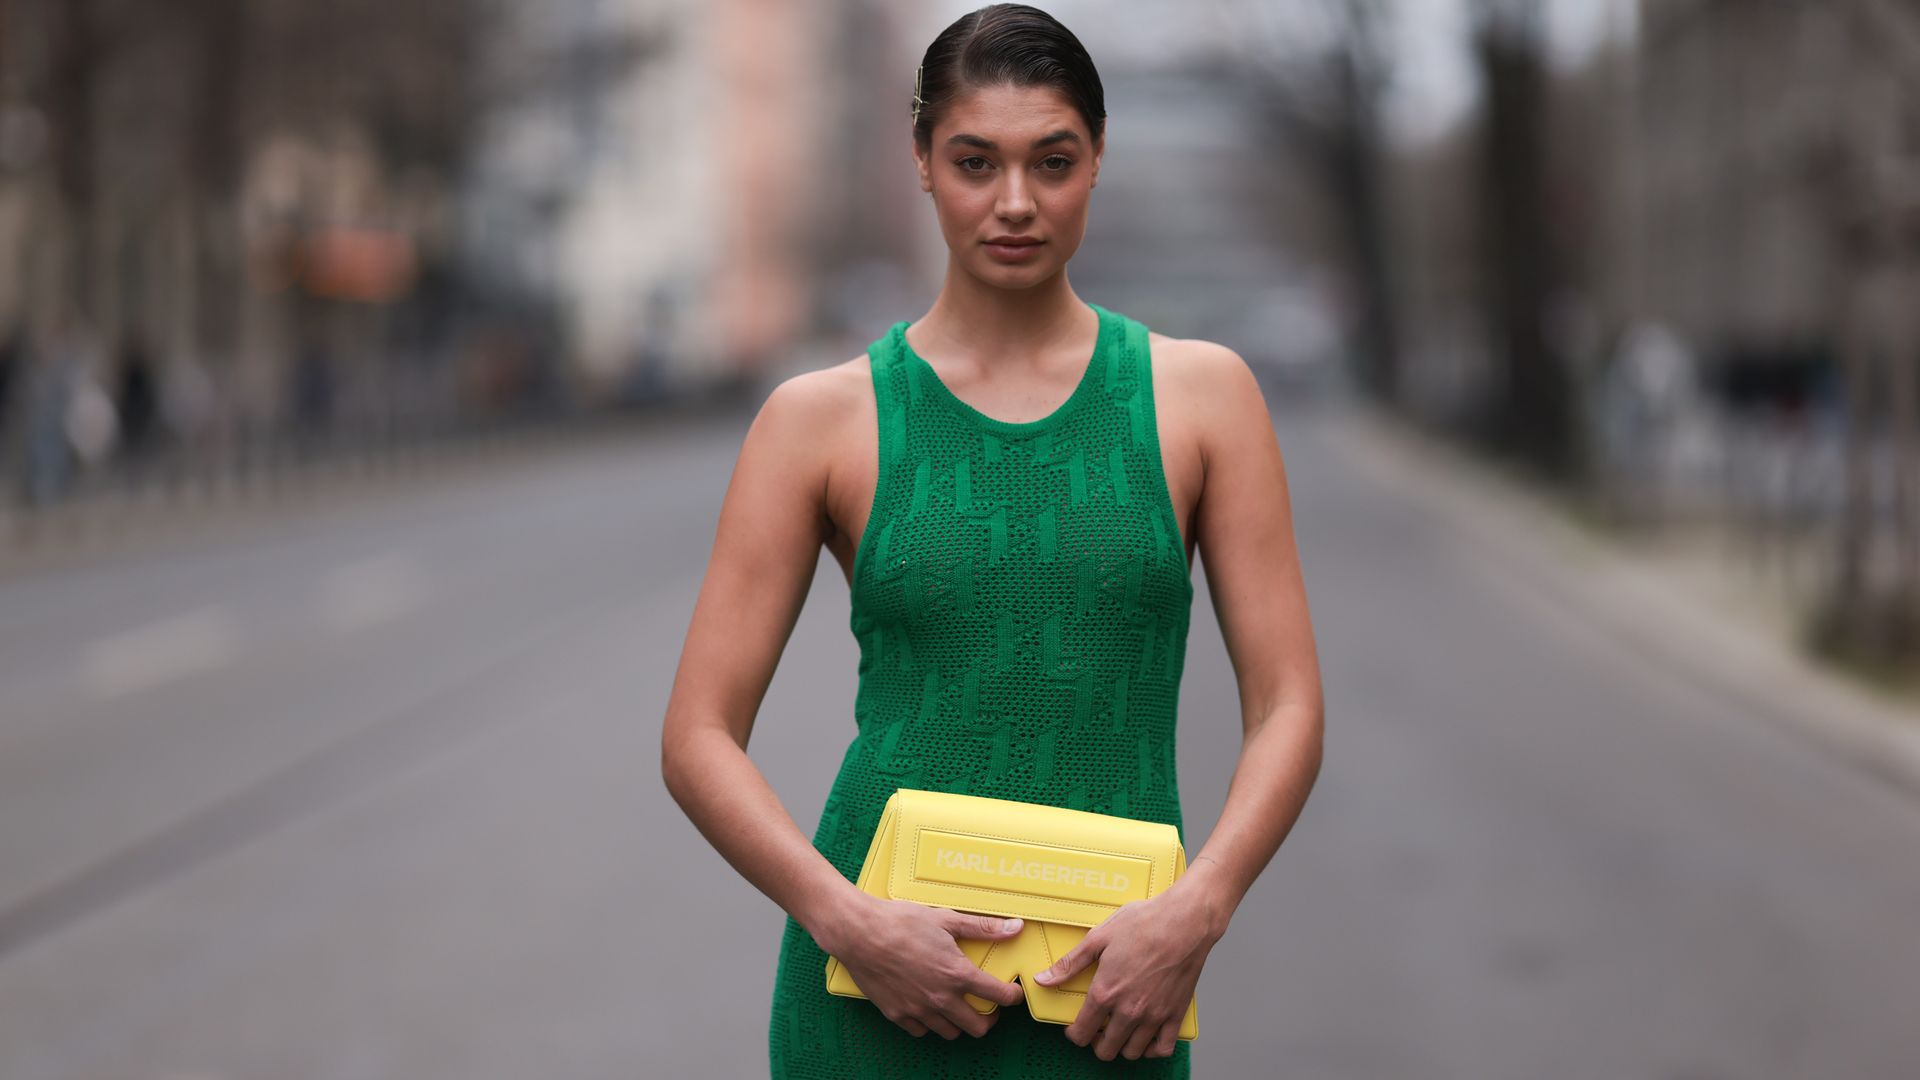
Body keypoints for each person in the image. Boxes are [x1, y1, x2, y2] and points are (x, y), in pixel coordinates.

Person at [660, 5, 1323, 1075]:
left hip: (1116, 993)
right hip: (878, 989)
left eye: (1052, 161)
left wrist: (1201, 909)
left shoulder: (1202, 401)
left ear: (1098, 160)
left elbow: (1288, 703)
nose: (1015, 201)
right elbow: (696, 735)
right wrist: (847, 920)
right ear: (921, 162)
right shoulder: (819, 421)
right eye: (975, 161)